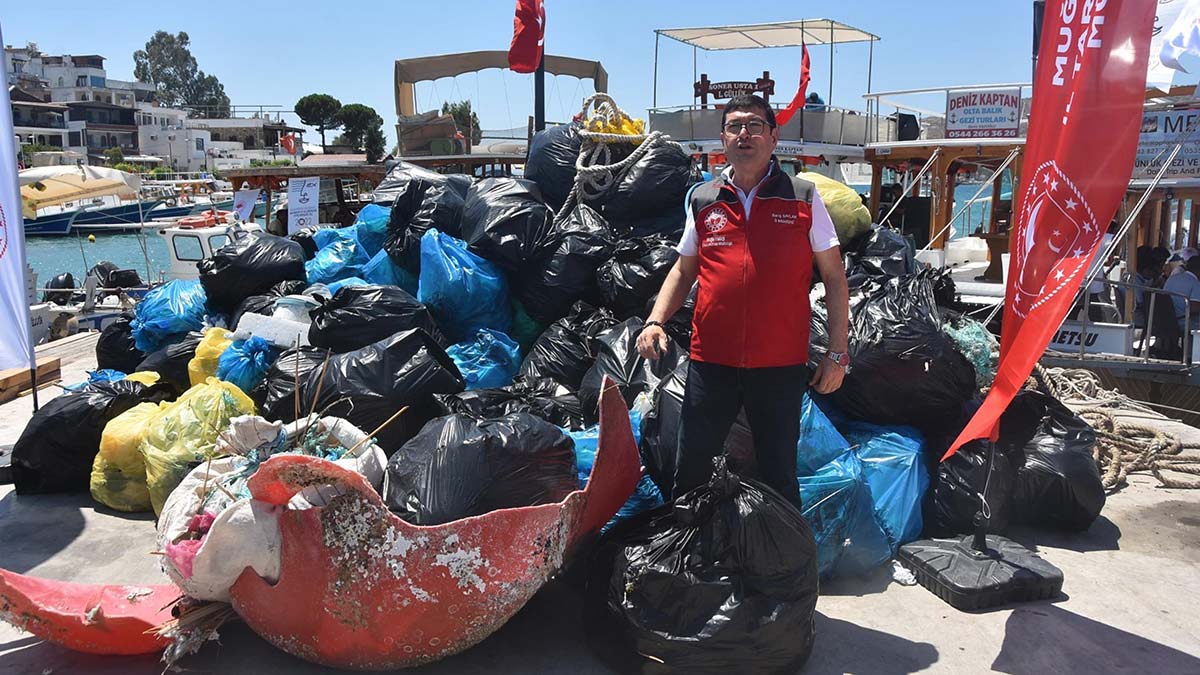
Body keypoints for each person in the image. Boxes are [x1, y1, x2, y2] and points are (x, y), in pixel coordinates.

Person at [635, 94, 850, 509]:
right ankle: (686, 557)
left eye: (754, 125)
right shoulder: (703, 199)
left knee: (778, 472)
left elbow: (835, 278)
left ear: (773, 137)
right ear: (723, 139)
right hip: (711, 361)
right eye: (735, 126)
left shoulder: (803, 197)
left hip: (779, 364)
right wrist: (655, 321)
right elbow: (683, 270)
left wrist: (837, 353)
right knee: (692, 469)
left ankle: (780, 566)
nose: (744, 134)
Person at [1163, 254, 1200, 331]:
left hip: (1165, 320)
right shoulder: (1195, 283)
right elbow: (1194, 309)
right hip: (1182, 322)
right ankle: (1191, 343)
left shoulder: (1172, 278)